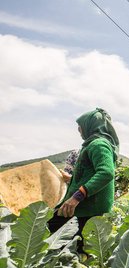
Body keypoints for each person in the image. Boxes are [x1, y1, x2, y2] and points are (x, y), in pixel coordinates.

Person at [48, 108, 119, 252]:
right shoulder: (94, 144)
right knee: (75, 247)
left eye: (81, 125)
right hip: (84, 206)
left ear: (91, 125)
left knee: (55, 234)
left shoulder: (98, 144)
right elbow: (90, 172)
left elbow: (106, 173)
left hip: (86, 207)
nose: (79, 129)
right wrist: (72, 179)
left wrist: (77, 196)